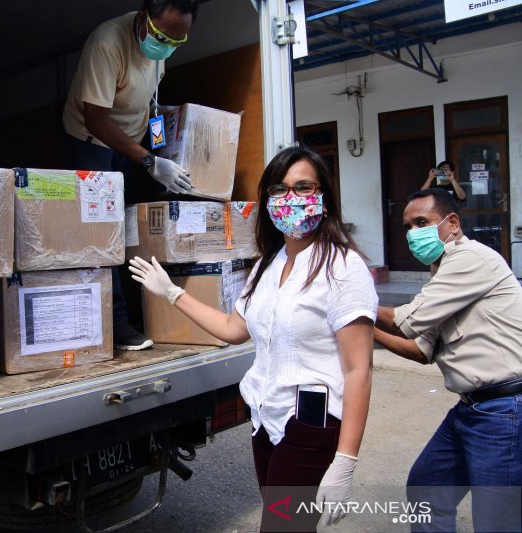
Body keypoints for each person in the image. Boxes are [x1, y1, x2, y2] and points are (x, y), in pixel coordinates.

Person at [129, 147, 377, 532]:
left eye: (302, 187)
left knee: (280, 527)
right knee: (286, 522)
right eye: (279, 189)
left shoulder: (343, 267)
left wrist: (345, 462)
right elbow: (233, 329)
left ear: (323, 198)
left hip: (311, 422)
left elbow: (359, 369)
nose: (290, 198)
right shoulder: (267, 264)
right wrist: (173, 293)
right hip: (266, 416)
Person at [374, 187, 522, 533]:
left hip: (503, 411)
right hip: (471, 410)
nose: (413, 234)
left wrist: (352, 302)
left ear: (452, 223)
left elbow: (407, 321)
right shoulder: (442, 276)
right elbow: (423, 350)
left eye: (422, 222)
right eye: (408, 226)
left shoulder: (470, 259)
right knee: (427, 488)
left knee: (496, 522)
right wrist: (367, 333)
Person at [62, 0, 199, 351]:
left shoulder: (163, 41)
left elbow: (151, 98)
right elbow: (95, 117)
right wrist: (149, 162)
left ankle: (142, 309)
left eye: (176, 40)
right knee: (102, 227)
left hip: (131, 140)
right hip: (90, 141)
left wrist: (158, 147)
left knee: (129, 224)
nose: (166, 44)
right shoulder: (107, 44)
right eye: (161, 35)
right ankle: (116, 322)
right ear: (143, 19)